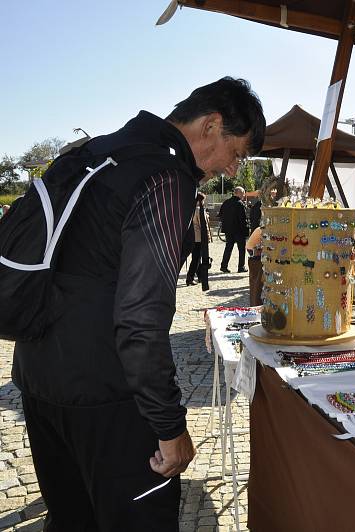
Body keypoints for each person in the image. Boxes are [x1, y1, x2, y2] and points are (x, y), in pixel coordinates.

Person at [12, 77, 266, 531]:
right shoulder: (166, 177)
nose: (233, 168)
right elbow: (140, 320)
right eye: (239, 152)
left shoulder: (98, 151)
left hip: (39, 375)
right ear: (212, 125)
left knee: (73, 519)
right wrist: (169, 428)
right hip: (108, 393)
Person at [218, 186, 249, 273]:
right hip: (239, 230)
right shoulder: (240, 204)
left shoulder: (226, 202)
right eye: (242, 193)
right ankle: (241, 267)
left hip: (228, 230)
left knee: (228, 247)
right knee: (241, 249)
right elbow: (243, 219)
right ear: (238, 193)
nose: (243, 195)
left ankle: (223, 266)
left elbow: (220, 215)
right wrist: (246, 231)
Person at [186, 192, 213, 289]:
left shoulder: (191, 209)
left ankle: (199, 276)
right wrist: (208, 238)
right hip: (199, 238)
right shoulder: (198, 210)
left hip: (194, 237)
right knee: (196, 258)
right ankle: (190, 277)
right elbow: (203, 226)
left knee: (197, 257)